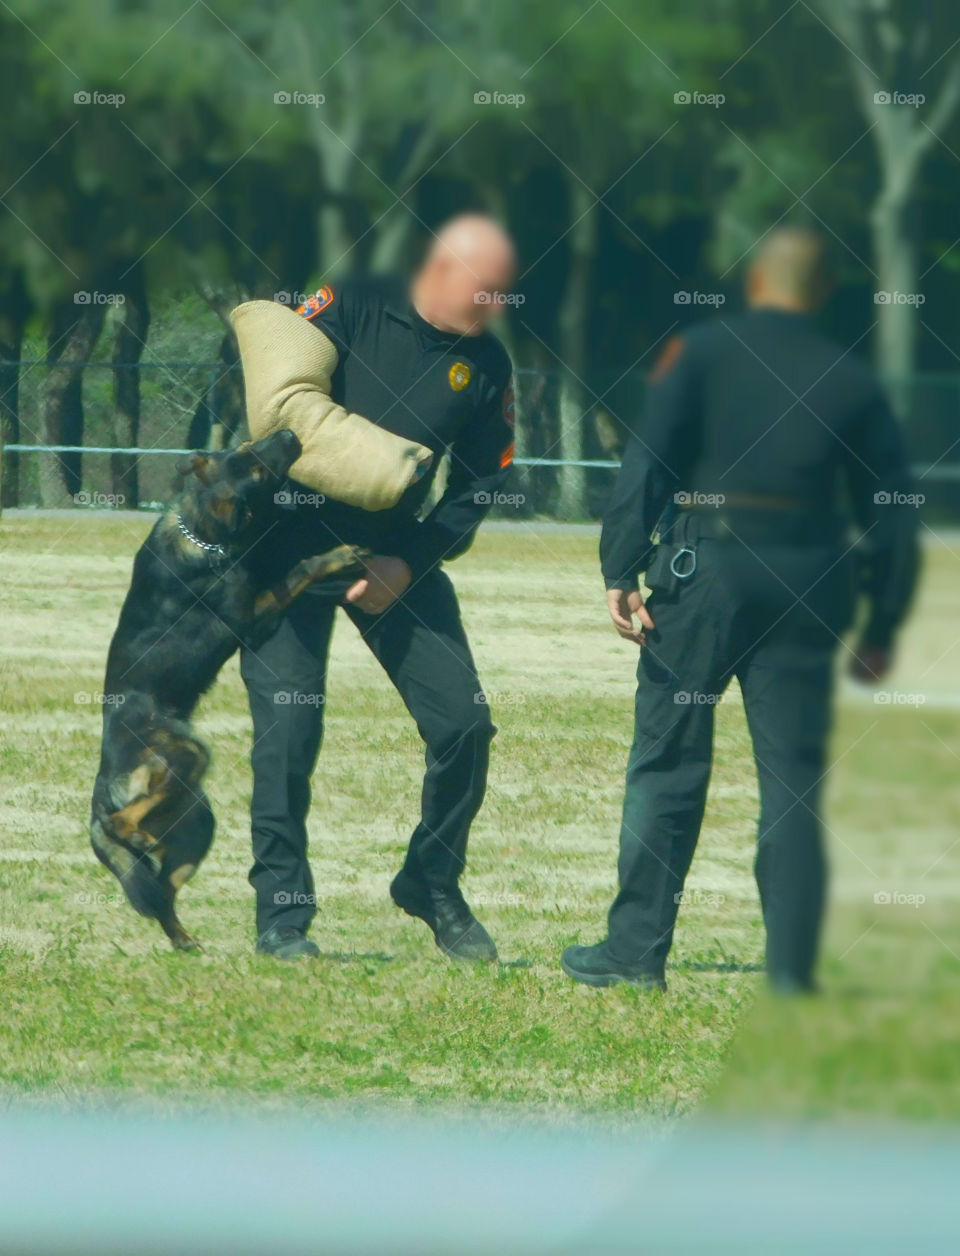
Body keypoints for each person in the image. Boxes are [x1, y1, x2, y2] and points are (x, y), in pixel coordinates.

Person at [561, 227, 919, 993]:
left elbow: (646, 464)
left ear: (756, 283)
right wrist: (885, 620)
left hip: (705, 574)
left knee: (667, 761)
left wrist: (619, 566)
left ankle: (633, 953)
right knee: (793, 783)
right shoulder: (851, 377)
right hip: (807, 583)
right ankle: (790, 973)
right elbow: (893, 508)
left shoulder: (699, 354)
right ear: (824, 294)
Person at [239, 214, 517, 962]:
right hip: (286, 545)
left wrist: (412, 561)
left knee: (464, 723)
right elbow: (279, 386)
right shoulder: (353, 300)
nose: (496, 306)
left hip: (393, 550)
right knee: (289, 734)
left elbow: (484, 482)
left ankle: (430, 880)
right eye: (486, 290)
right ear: (440, 269)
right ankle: (283, 915)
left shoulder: (487, 365)